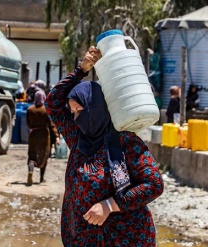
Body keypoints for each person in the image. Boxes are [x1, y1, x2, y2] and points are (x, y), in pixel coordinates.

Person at [45, 46, 164, 246]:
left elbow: (154, 185)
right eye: (72, 112)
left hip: (124, 237)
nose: (75, 118)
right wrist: (81, 70)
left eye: (79, 110)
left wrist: (110, 205)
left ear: (95, 108)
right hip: (83, 237)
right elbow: (52, 104)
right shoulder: (78, 138)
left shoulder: (126, 142)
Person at [26, 90, 59, 186]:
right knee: (44, 155)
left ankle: (30, 172)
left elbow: (28, 124)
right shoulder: (46, 110)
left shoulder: (30, 109)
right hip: (44, 135)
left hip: (33, 135)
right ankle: (41, 179)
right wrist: (57, 136)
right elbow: (52, 125)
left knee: (32, 156)